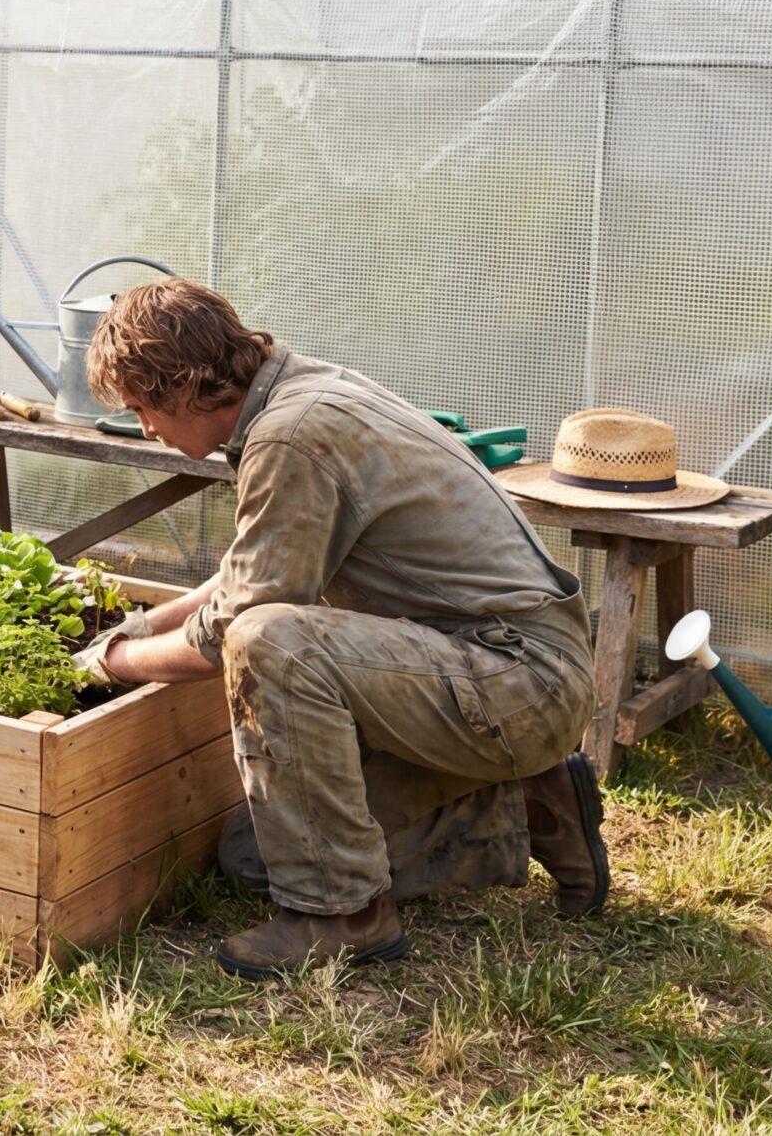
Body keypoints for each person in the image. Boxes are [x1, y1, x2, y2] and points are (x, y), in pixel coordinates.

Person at [73, 278, 607, 979]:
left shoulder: (294, 435)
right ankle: (530, 807)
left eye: (143, 407)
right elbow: (250, 568)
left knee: (270, 640)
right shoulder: (297, 394)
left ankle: (343, 915)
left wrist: (115, 660)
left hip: (518, 677)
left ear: (183, 386)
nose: (145, 427)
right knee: (251, 856)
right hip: (493, 668)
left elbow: (236, 620)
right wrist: (140, 623)